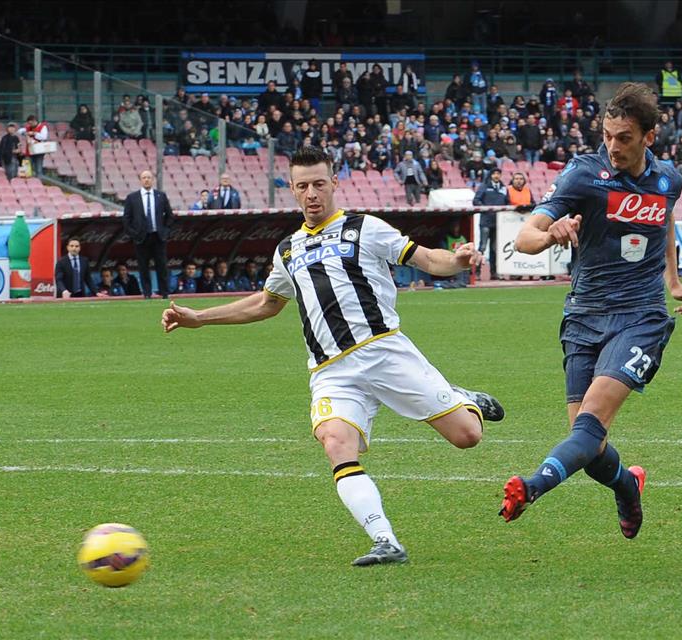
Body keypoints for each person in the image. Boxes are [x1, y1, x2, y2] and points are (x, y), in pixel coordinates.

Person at [161, 146, 505, 567]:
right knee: (335, 442)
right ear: (291, 189)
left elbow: (428, 259)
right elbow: (267, 303)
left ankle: (459, 395)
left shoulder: (366, 228)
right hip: (331, 371)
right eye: (302, 186)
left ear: (335, 183)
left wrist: (458, 259)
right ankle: (385, 540)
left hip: (385, 354)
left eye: (319, 184)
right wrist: (201, 318)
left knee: (467, 436)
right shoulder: (287, 250)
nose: (311, 194)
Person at [498, 83, 682, 540]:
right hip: (584, 315)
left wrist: (672, 282)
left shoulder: (668, 179)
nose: (613, 146)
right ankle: (628, 485)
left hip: (641, 317)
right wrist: (552, 234)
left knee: (591, 424)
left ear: (649, 136)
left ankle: (532, 487)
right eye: (608, 135)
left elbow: (665, 219)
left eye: (625, 137)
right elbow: (524, 238)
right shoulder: (583, 175)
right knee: (588, 445)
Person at [123, 170, 174, 298]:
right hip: (141, 238)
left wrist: (165, 231)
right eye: (144, 177)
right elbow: (126, 219)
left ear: (153, 180)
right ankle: (147, 293)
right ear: (140, 180)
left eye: (149, 177)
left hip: (158, 236)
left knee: (162, 266)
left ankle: (164, 293)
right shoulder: (132, 198)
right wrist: (134, 234)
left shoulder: (160, 196)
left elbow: (170, 216)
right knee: (143, 267)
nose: (146, 180)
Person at [472, 168, 509, 279]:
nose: (496, 176)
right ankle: (476, 272)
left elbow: (507, 202)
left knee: (495, 249)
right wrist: (486, 209)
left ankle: (494, 272)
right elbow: (476, 201)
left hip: (498, 223)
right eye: (494, 173)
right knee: (482, 247)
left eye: (498, 173)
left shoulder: (503, 188)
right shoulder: (484, 186)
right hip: (486, 221)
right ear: (491, 175)